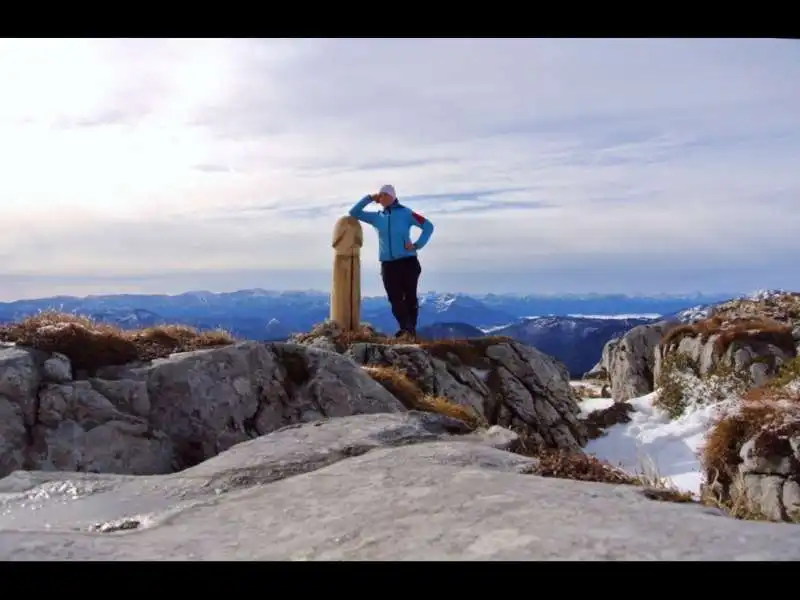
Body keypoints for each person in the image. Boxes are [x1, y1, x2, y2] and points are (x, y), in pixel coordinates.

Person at [349, 184, 434, 340]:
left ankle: (409, 331)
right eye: (380, 195)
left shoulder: (406, 213)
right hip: (388, 264)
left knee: (410, 297)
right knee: (394, 298)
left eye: (384, 195)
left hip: (408, 261)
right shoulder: (376, 217)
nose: (381, 198)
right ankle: (406, 328)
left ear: (392, 196)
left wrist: (417, 245)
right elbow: (354, 212)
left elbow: (428, 226)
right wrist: (369, 198)